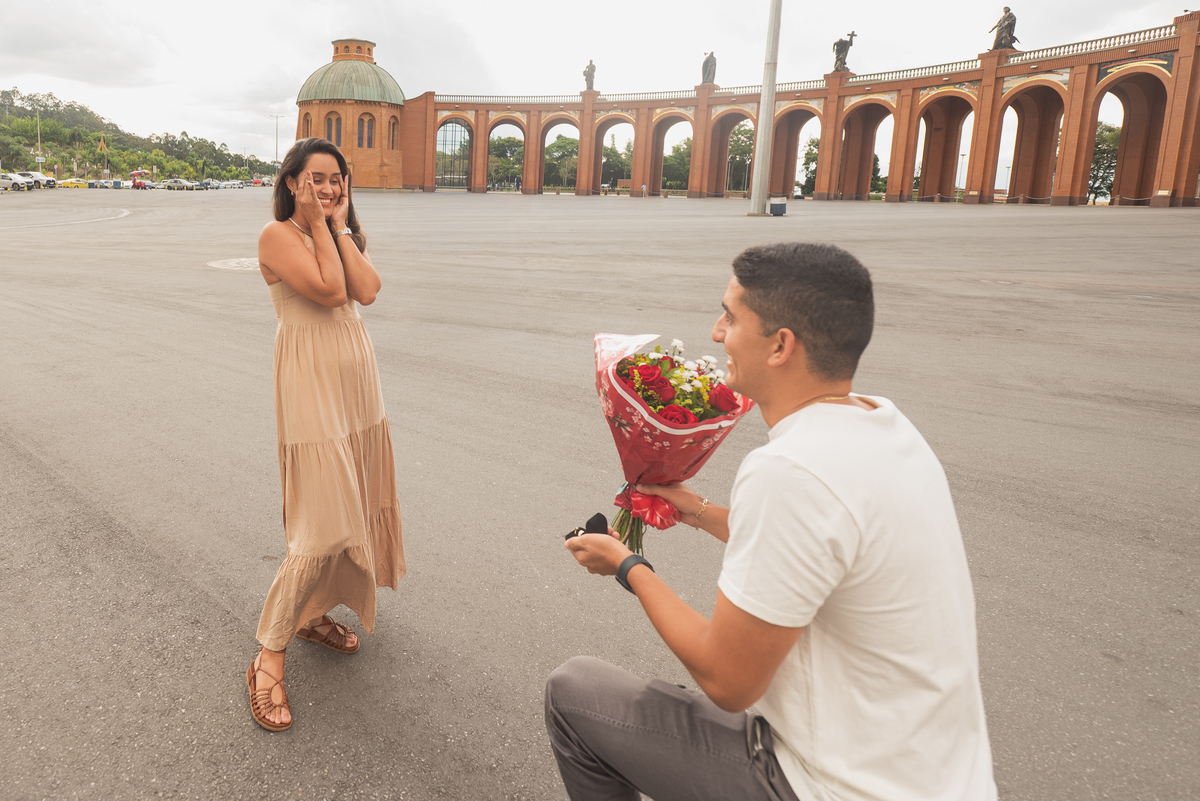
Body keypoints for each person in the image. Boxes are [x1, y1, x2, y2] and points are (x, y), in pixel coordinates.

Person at [549, 242, 996, 801]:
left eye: (732, 317)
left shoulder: (789, 469)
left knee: (572, 693)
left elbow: (727, 681)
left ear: (781, 345)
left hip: (828, 785)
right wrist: (695, 510)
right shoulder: (886, 426)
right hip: (942, 778)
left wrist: (628, 565)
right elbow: (811, 550)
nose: (717, 333)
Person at [247, 137, 405, 732]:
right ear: (292, 181)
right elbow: (330, 291)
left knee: (352, 503)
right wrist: (317, 224)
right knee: (321, 520)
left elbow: (366, 290)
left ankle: (311, 615)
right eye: (317, 178)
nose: (329, 187)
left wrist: (336, 226)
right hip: (310, 378)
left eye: (337, 178)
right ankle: (269, 654)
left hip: (356, 378)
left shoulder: (341, 232)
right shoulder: (276, 237)